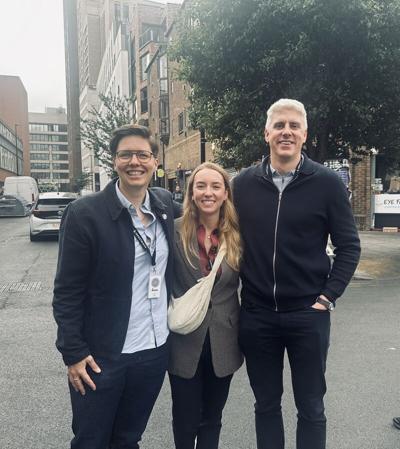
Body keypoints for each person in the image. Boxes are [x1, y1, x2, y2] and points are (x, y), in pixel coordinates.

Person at [233, 99, 361, 449]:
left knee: (311, 406)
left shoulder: (328, 184)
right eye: (279, 125)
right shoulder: (242, 185)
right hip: (257, 314)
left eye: (293, 126)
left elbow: (349, 246)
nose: (286, 132)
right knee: (265, 405)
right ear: (267, 133)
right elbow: (224, 237)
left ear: (305, 134)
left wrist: (328, 296)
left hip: (308, 313)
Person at [53, 124, 180, 449]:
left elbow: (207, 220)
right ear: (114, 161)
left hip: (153, 352)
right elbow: (67, 292)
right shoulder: (84, 214)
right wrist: (74, 353)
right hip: (102, 356)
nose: (134, 162)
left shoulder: (165, 204)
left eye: (143, 155)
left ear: (155, 161)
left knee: (128, 439)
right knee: (91, 440)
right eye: (126, 155)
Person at [168, 162, 243, 449]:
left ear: (225, 193)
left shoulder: (238, 235)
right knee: (185, 418)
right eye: (200, 186)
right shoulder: (173, 232)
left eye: (215, 186)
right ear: (191, 192)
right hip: (184, 341)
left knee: (213, 417)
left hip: (224, 340)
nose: (208, 192)